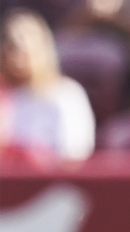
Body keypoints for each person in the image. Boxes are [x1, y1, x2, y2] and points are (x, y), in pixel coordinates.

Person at [0, 9, 96, 162]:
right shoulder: (3, 95)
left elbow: (75, 155)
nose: (18, 44)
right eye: (9, 41)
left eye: (27, 37)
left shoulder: (67, 94)